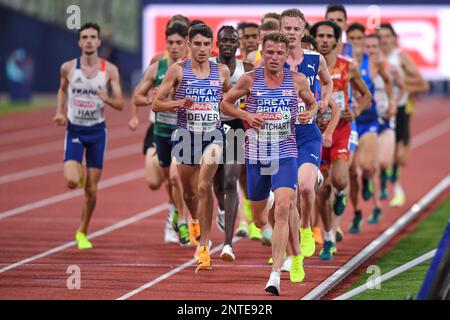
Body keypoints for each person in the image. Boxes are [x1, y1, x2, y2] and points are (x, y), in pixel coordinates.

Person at [222, 31, 317, 295]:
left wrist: (311, 111)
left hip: (285, 152)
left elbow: (312, 102)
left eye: (279, 53)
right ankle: (294, 250)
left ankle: (275, 273)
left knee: (285, 207)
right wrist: (246, 115)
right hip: (256, 155)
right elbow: (225, 104)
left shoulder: (297, 80)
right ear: (262, 53)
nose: (274, 58)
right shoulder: (249, 80)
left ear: (287, 55)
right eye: (270, 52)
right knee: (261, 220)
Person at [154, 24, 232, 271]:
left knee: (204, 185)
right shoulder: (178, 70)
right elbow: (156, 104)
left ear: (212, 46)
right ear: (189, 44)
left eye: (206, 44)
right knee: (188, 193)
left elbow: (229, 101)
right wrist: (179, 102)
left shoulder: (222, 71)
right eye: (197, 44)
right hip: (186, 136)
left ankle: (205, 247)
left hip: (213, 135)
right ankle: (195, 221)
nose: (202, 49)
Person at [53, 23, 125, 250]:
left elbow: (121, 104)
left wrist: (107, 99)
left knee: (92, 189)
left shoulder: (110, 70)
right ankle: (79, 173)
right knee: (72, 181)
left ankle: (82, 231)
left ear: (99, 41)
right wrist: (59, 112)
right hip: (75, 130)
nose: (89, 41)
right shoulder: (68, 68)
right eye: (84, 37)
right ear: (79, 42)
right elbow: (62, 89)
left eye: (93, 37)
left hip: (96, 132)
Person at [310, 20, 371, 260]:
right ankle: (327, 238)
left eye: (328, 36)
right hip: (314, 132)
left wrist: (355, 112)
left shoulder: (349, 67)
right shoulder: (307, 66)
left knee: (338, 179)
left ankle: (343, 193)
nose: (324, 40)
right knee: (321, 191)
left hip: (341, 130)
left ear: (336, 40)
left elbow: (365, 95)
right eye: (320, 36)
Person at [279, 8, 336, 262]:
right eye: (286, 28)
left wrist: (322, 101)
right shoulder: (271, 59)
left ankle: (305, 230)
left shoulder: (315, 58)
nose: (291, 33)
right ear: (280, 30)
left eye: (295, 29)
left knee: (304, 188)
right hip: (280, 135)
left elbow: (328, 81)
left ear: (303, 31)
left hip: (307, 134)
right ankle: (289, 250)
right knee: (283, 200)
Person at [129, 23, 190, 245]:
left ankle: (182, 222)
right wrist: (151, 100)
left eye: (178, 43)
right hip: (161, 130)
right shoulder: (157, 66)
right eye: (170, 43)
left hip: (184, 132)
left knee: (176, 177)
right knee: (160, 181)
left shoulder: (193, 67)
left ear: (187, 43)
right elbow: (136, 97)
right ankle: (174, 209)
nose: (174, 47)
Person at [346, 23, 395, 231]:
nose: (357, 44)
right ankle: (357, 212)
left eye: (360, 40)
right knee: (349, 171)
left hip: (369, 120)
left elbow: (388, 80)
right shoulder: (341, 63)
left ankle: (368, 180)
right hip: (350, 122)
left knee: (366, 166)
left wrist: (391, 102)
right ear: (347, 41)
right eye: (353, 40)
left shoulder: (373, 63)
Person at [212, 25, 254, 261]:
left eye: (232, 40)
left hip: (235, 128)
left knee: (231, 180)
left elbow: (257, 94)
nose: (228, 43)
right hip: (210, 129)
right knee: (217, 185)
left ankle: (228, 244)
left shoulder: (246, 69)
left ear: (238, 45)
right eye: (224, 40)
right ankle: (221, 206)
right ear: (217, 44)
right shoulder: (208, 67)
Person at [378, 23, 429, 207]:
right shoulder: (372, 57)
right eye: (381, 36)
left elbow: (422, 84)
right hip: (377, 110)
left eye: (387, 36)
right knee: (380, 153)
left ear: (394, 39)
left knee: (399, 156)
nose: (384, 40)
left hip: (399, 109)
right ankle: (388, 185)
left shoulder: (400, 58)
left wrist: (402, 83)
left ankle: (393, 183)